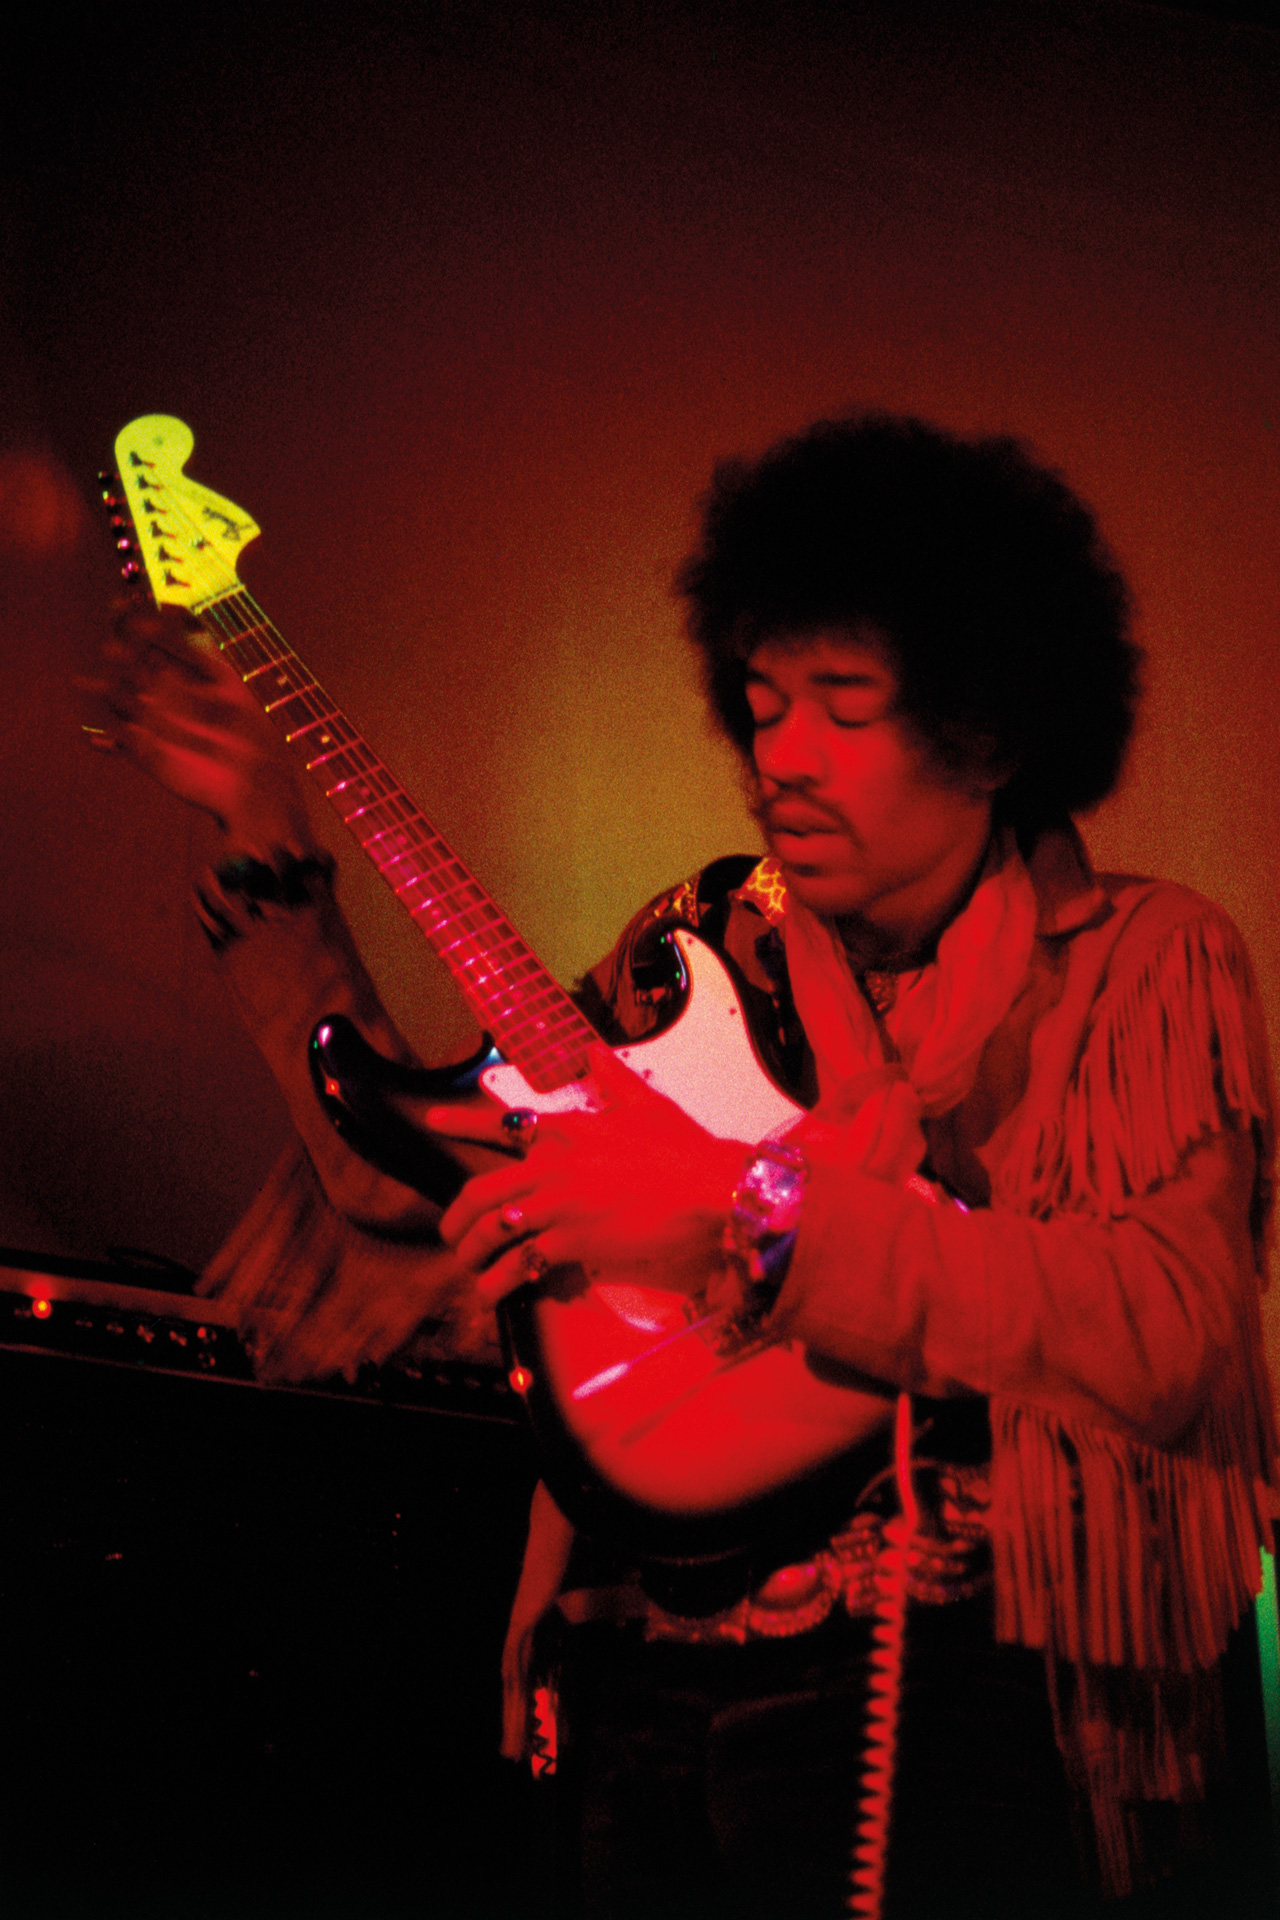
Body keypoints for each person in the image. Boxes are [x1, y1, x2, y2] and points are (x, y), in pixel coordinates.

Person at [88, 413, 1278, 1918]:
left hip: (978, 1699)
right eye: (763, 706)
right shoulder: (699, 950)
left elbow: (1168, 1327)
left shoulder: (1143, 963)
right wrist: (265, 834)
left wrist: (738, 1222)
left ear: (987, 734)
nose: (781, 757)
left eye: (845, 707)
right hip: (647, 1682)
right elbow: (408, 1186)